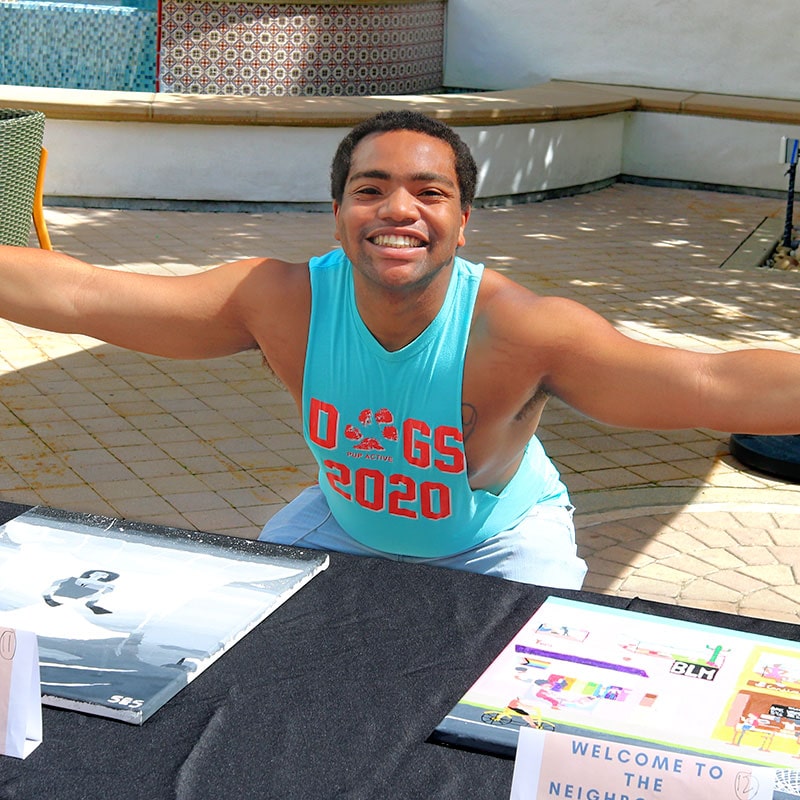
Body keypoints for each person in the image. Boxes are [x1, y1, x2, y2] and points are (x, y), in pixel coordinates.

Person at [1, 110, 799, 590]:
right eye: (370, 188)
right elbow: (82, 295)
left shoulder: (521, 329)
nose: (399, 210)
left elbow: (705, 378)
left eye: (430, 192)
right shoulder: (280, 301)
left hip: (500, 547)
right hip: (339, 524)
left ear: (463, 220)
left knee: (513, 727)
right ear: (339, 212)